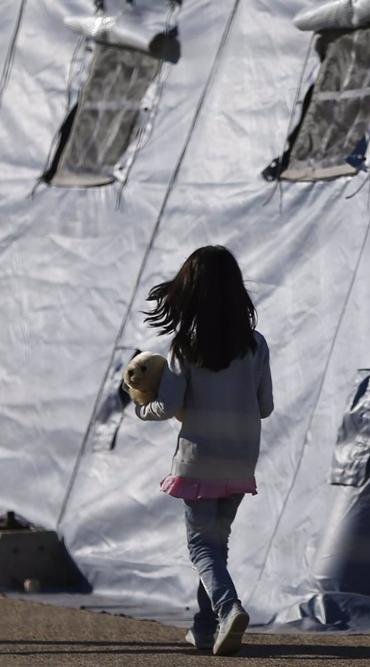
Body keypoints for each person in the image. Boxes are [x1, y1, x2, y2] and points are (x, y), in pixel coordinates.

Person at [136, 245, 274, 656]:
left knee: (201, 547)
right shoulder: (256, 345)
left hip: (199, 462)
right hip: (240, 459)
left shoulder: (185, 347)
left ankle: (228, 609)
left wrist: (141, 407)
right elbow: (265, 406)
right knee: (216, 546)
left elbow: (167, 407)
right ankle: (204, 628)